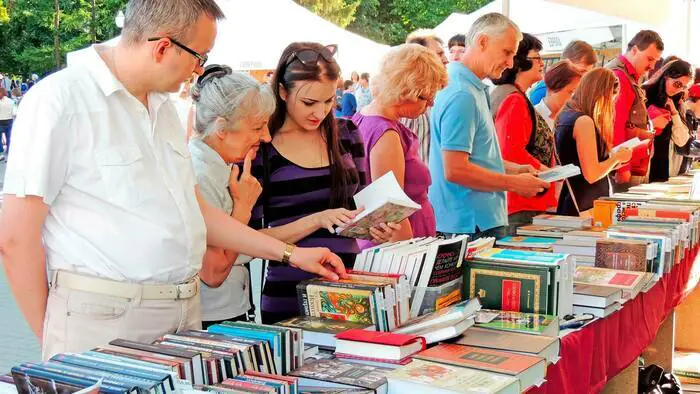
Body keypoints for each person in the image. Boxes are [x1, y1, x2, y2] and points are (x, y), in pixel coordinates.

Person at [0, 0, 347, 359]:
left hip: (181, 315)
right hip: (106, 320)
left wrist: (291, 254)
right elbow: (15, 238)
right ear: (163, 46)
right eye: (200, 56)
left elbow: (195, 212)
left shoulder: (163, 108)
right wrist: (54, 341)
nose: (199, 71)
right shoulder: (60, 100)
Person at [251, 42, 399, 324]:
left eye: (329, 101)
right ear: (282, 92)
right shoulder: (262, 148)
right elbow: (251, 240)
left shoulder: (347, 133)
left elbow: (361, 207)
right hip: (289, 292)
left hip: (350, 286)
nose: (319, 112)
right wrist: (317, 220)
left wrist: (376, 226)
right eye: (309, 102)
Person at [428, 13, 549, 239]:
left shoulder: (468, 87)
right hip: (471, 223)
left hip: (472, 220)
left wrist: (516, 170)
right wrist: (514, 183)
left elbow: (475, 157)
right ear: (482, 42)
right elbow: (456, 169)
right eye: (507, 52)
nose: (511, 63)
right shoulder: (463, 93)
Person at [353, 44, 448, 241]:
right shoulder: (386, 133)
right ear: (407, 91)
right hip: (401, 246)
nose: (430, 104)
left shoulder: (363, 119)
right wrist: (410, 255)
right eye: (427, 97)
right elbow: (391, 211)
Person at [491, 33, 554, 226]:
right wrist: (548, 172)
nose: (542, 64)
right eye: (537, 58)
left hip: (519, 200)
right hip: (520, 203)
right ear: (519, 63)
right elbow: (511, 151)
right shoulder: (513, 99)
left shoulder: (511, 95)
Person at [555, 68, 633, 216]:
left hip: (575, 201)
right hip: (583, 206)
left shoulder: (566, 115)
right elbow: (592, 174)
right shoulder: (583, 121)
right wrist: (616, 158)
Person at [607, 30, 664, 188]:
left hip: (632, 161)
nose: (652, 66)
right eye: (650, 59)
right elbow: (615, 124)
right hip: (625, 165)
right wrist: (622, 166)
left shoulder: (628, 75)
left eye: (655, 60)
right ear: (634, 50)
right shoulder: (619, 76)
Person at [402, 29, 448, 164]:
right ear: (421, 59)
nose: (445, 59)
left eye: (443, 53)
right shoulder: (414, 102)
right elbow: (417, 158)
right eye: (439, 54)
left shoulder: (431, 94)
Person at [643, 59, 693, 181]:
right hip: (643, 163)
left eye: (683, 87)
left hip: (665, 166)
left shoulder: (677, 102)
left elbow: (681, 141)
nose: (678, 89)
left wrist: (675, 113)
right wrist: (652, 124)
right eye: (677, 84)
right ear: (666, 76)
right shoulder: (644, 94)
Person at [529, 40, 597, 105]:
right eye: (581, 71)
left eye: (588, 73)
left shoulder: (580, 92)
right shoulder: (542, 92)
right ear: (564, 65)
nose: (585, 78)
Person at [534, 60, 582, 130]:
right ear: (553, 86)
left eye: (575, 93)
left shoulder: (571, 119)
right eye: (570, 92)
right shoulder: (533, 117)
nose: (572, 98)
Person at [0, 87, 13, 161]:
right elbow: (14, 112)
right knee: (9, 137)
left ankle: (0, 151)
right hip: (9, 120)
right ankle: (8, 150)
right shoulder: (11, 101)